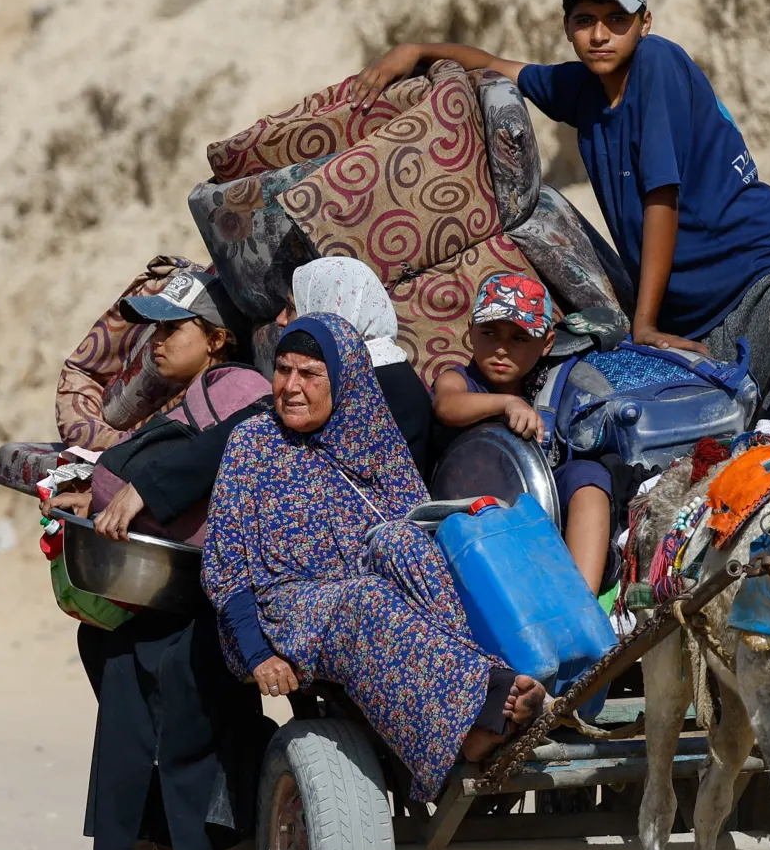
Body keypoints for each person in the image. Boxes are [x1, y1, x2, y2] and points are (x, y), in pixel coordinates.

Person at [353, 0, 770, 442]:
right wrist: (418, 51)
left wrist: (645, 325)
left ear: (644, 22)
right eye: (585, 19)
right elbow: (495, 65)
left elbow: (662, 198)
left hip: (766, 286)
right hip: (694, 329)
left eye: (617, 19)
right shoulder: (580, 87)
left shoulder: (658, 63)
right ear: (567, 26)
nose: (599, 34)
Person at [203, 314, 545, 803]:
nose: (291, 387)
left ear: (343, 379)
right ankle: (477, 722)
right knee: (365, 600)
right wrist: (257, 654)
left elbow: (414, 520)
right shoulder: (253, 443)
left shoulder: (371, 434)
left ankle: (482, 690)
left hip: (370, 585)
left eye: (310, 374)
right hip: (285, 608)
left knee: (406, 545)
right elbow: (224, 562)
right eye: (282, 370)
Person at [52, 269, 275, 850]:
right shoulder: (178, 402)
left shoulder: (240, 387)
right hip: (172, 577)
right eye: (151, 329)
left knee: (171, 664)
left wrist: (136, 488)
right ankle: (151, 841)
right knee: (110, 652)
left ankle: (194, 849)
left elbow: (233, 454)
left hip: (223, 582)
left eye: (172, 329)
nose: (155, 342)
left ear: (216, 338)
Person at [432, 272, 613, 593]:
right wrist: (506, 403)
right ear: (470, 332)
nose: (502, 350)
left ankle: (582, 599)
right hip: (477, 513)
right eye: (490, 333)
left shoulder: (547, 385)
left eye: (519, 339)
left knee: (589, 476)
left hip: (543, 502)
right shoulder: (457, 380)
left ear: (546, 344)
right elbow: (447, 405)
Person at [283, 257, 433, 478]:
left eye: (291, 308)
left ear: (329, 307)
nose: (281, 319)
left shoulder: (362, 382)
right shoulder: (387, 369)